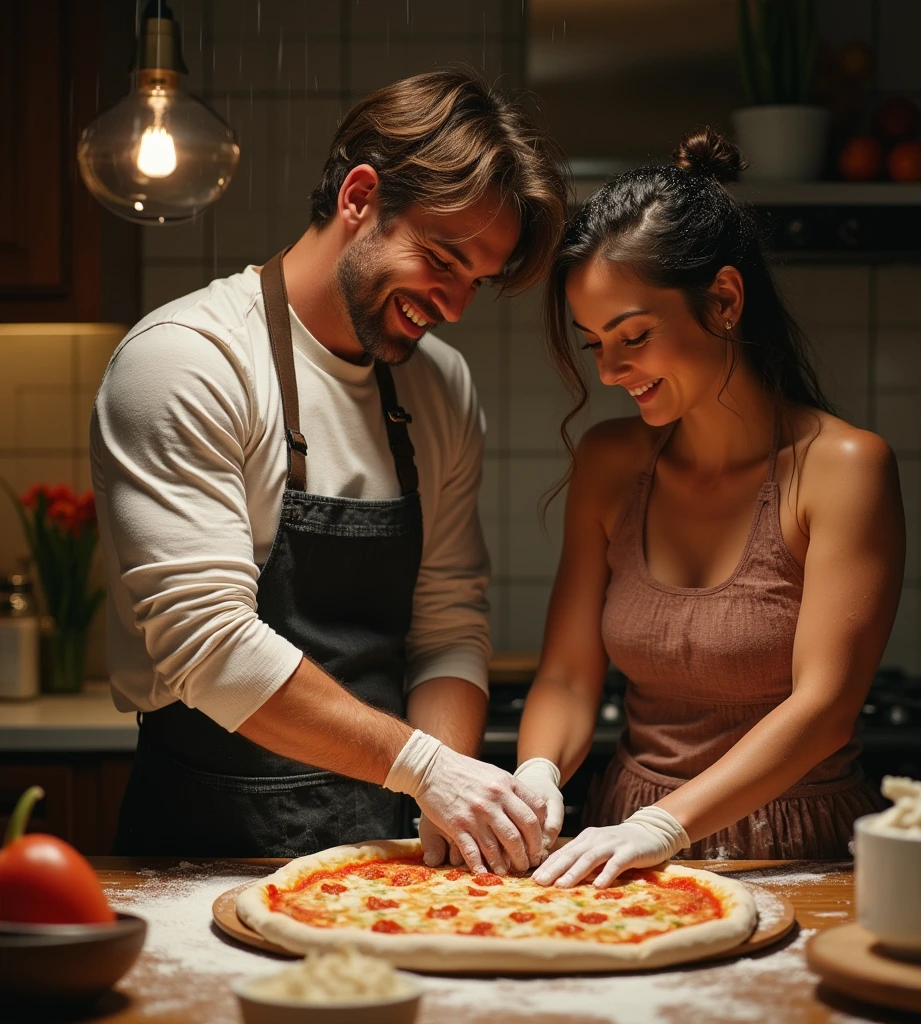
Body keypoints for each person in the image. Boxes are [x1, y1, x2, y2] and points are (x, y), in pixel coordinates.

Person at [91, 69, 568, 874]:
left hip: (391, 850)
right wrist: (431, 769)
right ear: (358, 197)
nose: (453, 306)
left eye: (475, 284)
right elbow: (209, 647)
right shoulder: (186, 361)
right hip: (205, 849)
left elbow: (448, 623)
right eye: (442, 260)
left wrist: (443, 800)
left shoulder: (440, 386)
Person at [513, 129, 903, 888]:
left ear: (723, 299)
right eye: (595, 344)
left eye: (634, 336)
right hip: (618, 847)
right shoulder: (609, 461)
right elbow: (565, 676)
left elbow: (825, 707)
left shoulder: (845, 468)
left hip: (795, 846)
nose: (612, 371)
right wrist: (536, 774)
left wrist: (667, 825)